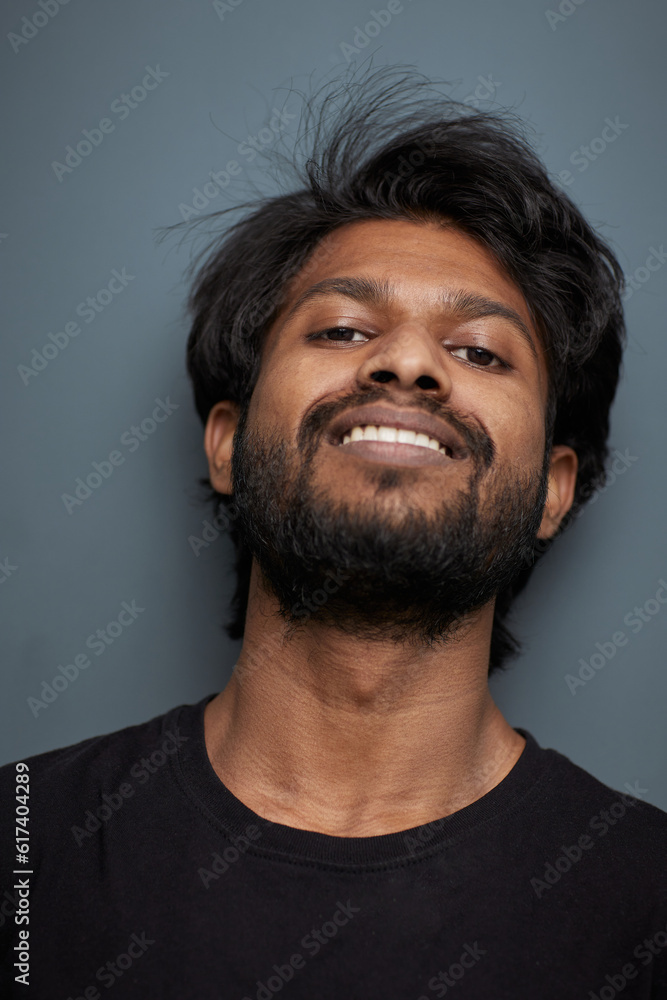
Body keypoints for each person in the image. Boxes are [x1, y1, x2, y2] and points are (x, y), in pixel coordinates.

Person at [1, 67, 666, 999]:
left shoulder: (647, 903)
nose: (406, 361)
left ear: (554, 490)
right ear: (226, 444)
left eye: (479, 351)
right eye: (345, 330)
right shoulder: (24, 845)